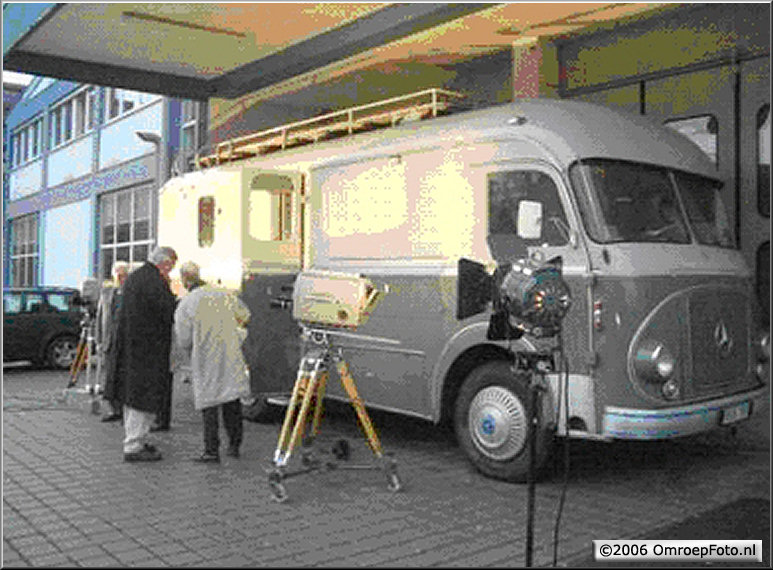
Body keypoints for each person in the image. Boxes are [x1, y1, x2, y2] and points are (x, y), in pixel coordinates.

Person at [174, 261, 251, 463]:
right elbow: (245, 315)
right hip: (229, 353)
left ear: (184, 279)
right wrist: (237, 335)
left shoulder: (187, 303)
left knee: (209, 403)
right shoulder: (224, 294)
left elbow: (183, 338)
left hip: (205, 357)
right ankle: (234, 445)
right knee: (231, 398)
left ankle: (211, 450)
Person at [114, 246, 178, 462]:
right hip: (148, 351)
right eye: (171, 266)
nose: (170, 272)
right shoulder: (154, 282)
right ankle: (133, 445)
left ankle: (137, 440)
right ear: (165, 263)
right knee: (142, 399)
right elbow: (167, 311)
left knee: (133, 398)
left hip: (132, 348)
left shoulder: (136, 278)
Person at [97, 261, 130, 422]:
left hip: (125, 341)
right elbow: (100, 317)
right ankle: (113, 409)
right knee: (110, 377)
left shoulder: (130, 293)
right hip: (110, 340)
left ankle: (124, 410)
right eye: (117, 273)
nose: (120, 277)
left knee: (123, 377)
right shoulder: (107, 293)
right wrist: (99, 340)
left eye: (123, 274)